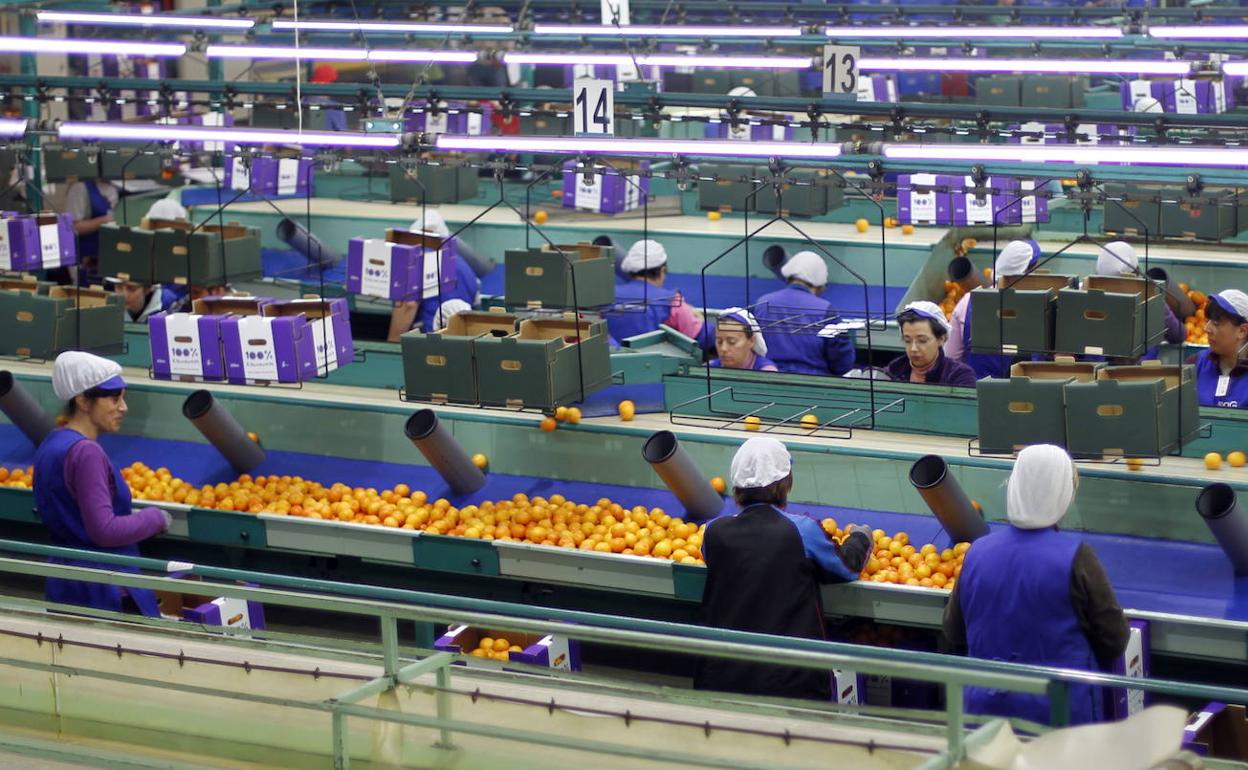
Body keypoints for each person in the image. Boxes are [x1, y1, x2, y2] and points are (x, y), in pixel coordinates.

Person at [943, 444, 1128, 726]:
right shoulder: (1077, 558)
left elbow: (954, 631)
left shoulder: (977, 552)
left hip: (986, 714)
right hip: (1058, 716)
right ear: (1064, 493)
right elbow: (1114, 640)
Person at [695, 437, 872, 700]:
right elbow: (845, 567)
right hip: (788, 682)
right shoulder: (802, 530)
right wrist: (861, 538)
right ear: (785, 484)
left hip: (722, 678)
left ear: (736, 488)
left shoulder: (713, 532)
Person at [33, 352, 172, 617]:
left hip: (65, 583)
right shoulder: (87, 453)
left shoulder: (52, 443)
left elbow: (76, 514)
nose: (123, 407)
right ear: (83, 400)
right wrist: (155, 518)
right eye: (113, 398)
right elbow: (104, 530)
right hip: (103, 588)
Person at [944, 239, 1039, 379]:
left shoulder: (967, 301)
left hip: (977, 392)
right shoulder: (1037, 306)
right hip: (1025, 395)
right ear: (1028, 271)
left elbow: (951, 357)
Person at [752, 250, 856, 376]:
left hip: (766, 381)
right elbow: (843, 363)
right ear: (820, 286)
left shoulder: (762, 303)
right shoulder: (826, 310)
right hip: (813, 386)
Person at [386, 211, 480, 341]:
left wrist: (391, 346)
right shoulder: (466, 267)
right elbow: (476, 308)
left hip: (430, 341)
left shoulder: (414, 263)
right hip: (466, 341)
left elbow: (408, 305)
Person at [603, 239, 704, 344]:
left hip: (612, 359)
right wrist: (700, 320)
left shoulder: (606, 296)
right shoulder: (672, 301)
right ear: (663, 270)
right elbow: (703, 337)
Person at [1094, 241, 1184, 353]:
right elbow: (1178, 334)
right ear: (1136, 272)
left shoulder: (1089, 299)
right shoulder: (1150, 299)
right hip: (1141, 368)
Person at [885, 301, 977, 386]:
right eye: (908, 341)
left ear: (941, 339)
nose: (913, 348)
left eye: (922, 341)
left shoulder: (959, 375)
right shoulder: (893, 371)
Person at [1191, 290, 1248, 408]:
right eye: (1208, 321)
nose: (1207, 328)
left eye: (1216, 323)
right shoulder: (1195, 363)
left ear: (1242, 331)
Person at [64, 178, 119, 282]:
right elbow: (72, 227)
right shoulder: (80, 188)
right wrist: (105, 220)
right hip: (86, 262)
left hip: (109, 261)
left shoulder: (116, 186)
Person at [708, 308, 779, 372]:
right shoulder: (710, 368)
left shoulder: (766, 373)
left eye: (732, 342)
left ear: (751, 341)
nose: (724, 349)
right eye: (719, 341)